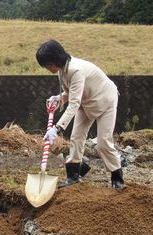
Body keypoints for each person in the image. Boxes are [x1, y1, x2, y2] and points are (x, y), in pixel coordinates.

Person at [36, 39, 124, 189]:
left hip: (105, 101)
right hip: (86, 101)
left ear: (56, 60)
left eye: (48, 64)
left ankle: (117, 178)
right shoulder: (62, 70)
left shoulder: (76, 69)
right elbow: (71, 92)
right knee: (76, 138)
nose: (47, 68)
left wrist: (57, 129)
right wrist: (59, 98)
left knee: (103, 143)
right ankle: (73, 176)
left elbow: (74, 103)